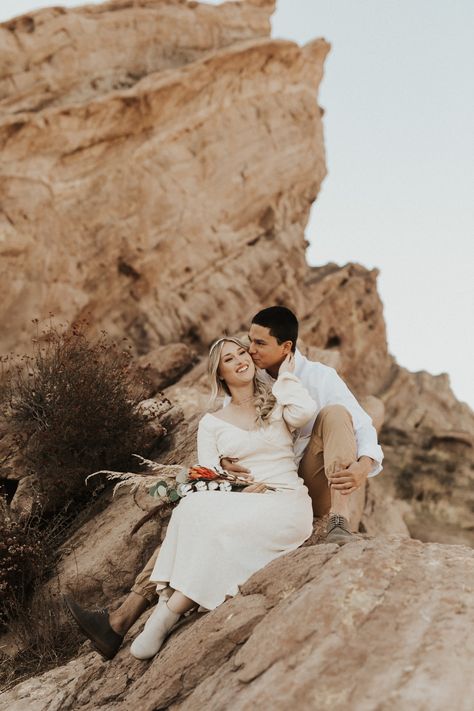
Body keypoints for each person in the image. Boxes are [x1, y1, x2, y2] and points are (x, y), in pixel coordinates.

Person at [65, 306, 384, 660]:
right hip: (258, 490)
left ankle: (339, 522)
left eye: (257, 344)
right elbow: (214, 460)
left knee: (335, 415)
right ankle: (122, 620)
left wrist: (363, 465)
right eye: (245, 346)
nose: (250, 352)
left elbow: (359, 424)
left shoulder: (313, 379)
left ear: (286, 346)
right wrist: (230, 470)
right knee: (198, 516)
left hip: (306, 482)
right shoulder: (250, 389)